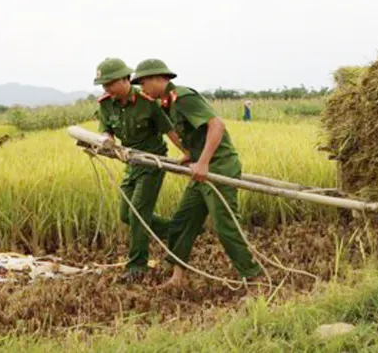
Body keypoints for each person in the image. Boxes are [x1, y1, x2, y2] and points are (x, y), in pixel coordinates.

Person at [132, 58, 262, 289]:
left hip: (219, 165)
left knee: (225, 225)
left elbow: (216, 125)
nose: (142, 89)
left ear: (155, 78)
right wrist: (192, 154)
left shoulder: (183, 97)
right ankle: (178, 278)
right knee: (182, 221)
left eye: (142, 83)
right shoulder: (167, 104)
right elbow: (196, 133)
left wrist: (202, 162)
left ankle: (254, 278)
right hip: (202, 165)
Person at [93, 57, 181, 282]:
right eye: (104, 85)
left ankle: (137, 266)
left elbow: (170, 131)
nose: (107, 89)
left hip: (153, 163)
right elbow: (106, 129)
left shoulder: (148, 102)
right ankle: (179, 231)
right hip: (131, 163)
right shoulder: (106, 104)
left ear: (125, 80)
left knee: (138, 214)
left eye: (111, 84)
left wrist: (191, 154)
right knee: (125, 215)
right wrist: (106, 140)